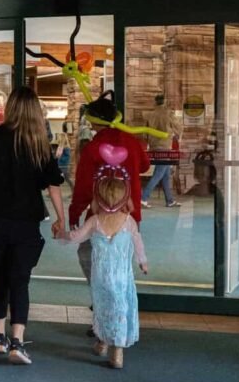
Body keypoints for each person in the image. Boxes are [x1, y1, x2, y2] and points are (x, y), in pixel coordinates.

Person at [0, 86, 65, 365]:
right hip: (26, 223)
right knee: (20, 281)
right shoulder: (38, 144)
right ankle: (18, 343)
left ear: (10, 108)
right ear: (36, 112)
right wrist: (61, 219)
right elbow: (53, 186)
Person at [60, 170, 148, 369]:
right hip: (122, 276)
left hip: (100, 276)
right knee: (120, 309)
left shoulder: (95, 221)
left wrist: (61, 235)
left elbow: (75, 237)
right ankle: (117, 351)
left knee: (103, 308)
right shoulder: (128, 222)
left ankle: (103, 342)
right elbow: (138, 242)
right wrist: (142, 261)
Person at [69, 90, 150, 286]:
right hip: (129, 212)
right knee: (122, 261)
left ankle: (101, 298)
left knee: (88, 254)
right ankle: (119, 298)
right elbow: (145, 166)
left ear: (94, 121)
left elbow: (84, 186)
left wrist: (74, 214)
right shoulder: (132, 142)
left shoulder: (92, 148)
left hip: (101, 213)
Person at [141, 94, 182, 208]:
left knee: (165, 175)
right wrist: (176, 135)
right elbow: (178, 127)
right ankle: (143, 198)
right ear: (164, 101)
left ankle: (170, 200)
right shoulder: (169, 113)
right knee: (159, 174)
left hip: (154, 146)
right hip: (165, 146)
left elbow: (145, 134)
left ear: (155, 102)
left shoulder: (150, 115)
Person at [55, 126, 73, 191]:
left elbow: (67, 156)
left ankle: (73, 190)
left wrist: (60, 158)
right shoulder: (60, 146)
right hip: (60, 165)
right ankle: (54, 191)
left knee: (67, 179)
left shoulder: (66, 147)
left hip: (64, 165)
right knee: (56, 178)